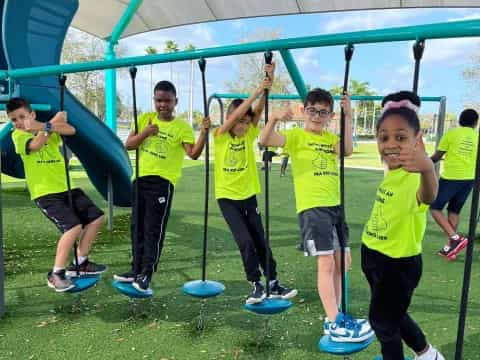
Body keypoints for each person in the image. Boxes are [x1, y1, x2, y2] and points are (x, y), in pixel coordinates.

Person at [260, 88, 372, 342]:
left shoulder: (329, 140)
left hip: (335, 207)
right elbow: (266, 140)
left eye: (323, 113)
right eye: (313, 111)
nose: (317, 116)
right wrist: (274, 118)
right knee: (327, 263)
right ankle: (334, 322)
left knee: (342, 263)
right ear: (304, 110)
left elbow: (347, 149)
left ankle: (337, 315)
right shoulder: (297, 136)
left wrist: (348, 116)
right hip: (313, 208)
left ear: (330, 116)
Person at [361, 91, 445, 360]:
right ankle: (426, 352)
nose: (390, 145)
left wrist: (427, 169)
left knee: (383, 323)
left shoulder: (415, 177)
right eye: (383, 137)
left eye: (400, 137)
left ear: (417, 140)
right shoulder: (393, 173)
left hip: (398, 265)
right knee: (392, 314)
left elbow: (429, 196)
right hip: (373, 255)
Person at [114, 80, 210, 293]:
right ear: (154, 100)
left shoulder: (181, 127)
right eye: (159, 100)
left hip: (162, 183)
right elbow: (129, 145)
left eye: (167, 101)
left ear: (176, 101)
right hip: (139, 180)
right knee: (136, 227)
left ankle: (147, 272)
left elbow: (193, 154)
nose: (162, 105)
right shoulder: (144, 119)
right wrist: (146, 132)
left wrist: (203, 133)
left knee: (153, 229)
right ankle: (135, 269)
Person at [214, 63, 297, 304]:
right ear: (232, 120)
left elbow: (257, 111)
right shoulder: (219, 136)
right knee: (245, 241)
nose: (243, 126)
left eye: (246, 123)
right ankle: (256, 284)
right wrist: (258, 89)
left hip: (248, 195)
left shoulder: (249, 132)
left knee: (260, 240)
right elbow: (240, 114)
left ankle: (273, 282)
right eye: (240, 122)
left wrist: (267, 85)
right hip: (228, 199)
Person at [8, 98, 106, 292]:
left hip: (65, 189)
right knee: (73, 227)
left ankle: (81, 262)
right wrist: (47, 125)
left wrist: (51, 124)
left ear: (32, 114)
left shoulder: (48, 129)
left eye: (22, 117)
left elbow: (71, 130)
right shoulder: (17, 136)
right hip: (45, 193)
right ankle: (56, 273)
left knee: (97, 217)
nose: (19, 122)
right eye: (13, 119)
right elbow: (36, 145)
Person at [430, 109, 479, 260]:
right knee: (454, 211)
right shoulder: (477, 137)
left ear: (459, 120)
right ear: (475, 123)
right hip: (469, 180)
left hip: (451, 178)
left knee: (435, 207)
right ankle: (450, 249)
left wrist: (422, 163)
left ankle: (455, 238)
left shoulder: (452, 134)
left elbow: (437, 157)